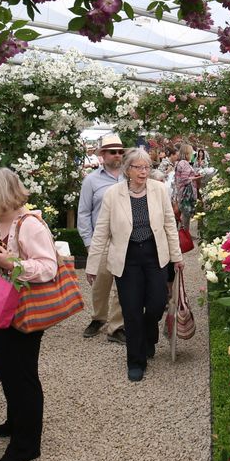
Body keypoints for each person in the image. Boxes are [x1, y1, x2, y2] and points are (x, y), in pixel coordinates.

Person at [0, 168, 58, 461]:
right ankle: (15, 421)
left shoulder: (29, 225)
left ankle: (26, 446)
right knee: (3, 366)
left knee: (22, 376)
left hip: (20, 312)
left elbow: (48, 268)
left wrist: (11, 263)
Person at [86, 148, 182, 382]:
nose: (144, 171)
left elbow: (170, 224)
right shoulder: (113, 194)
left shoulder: (159, 190)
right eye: (138, 167)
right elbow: (101, 232)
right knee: (131, 310)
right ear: (127, 170)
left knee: (157, 303)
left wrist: (177, 257)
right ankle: (136, 361)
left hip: (154, 255)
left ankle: (149, 336)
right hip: (126, 258)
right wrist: (92, 265)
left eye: (147, 167)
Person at [77, 134, 127, 343]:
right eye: (112, 152)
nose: (117, 155)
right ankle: (98, 318)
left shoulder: (130, 177)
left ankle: (116, 327)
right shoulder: (91, 180)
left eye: (120, 152)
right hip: (101, 240)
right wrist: (89, 243)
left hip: (125, 239)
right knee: (100, 283)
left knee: (122, 284)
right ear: (103, 155)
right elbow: (83, 213)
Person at [172, 141, 202, 232]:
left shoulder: (181, 163)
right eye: (191, 152)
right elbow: (185, 179)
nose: (193, 154)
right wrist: (196, 177)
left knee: (185, 216)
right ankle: (185, 237)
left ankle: (185, 235)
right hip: (185, 194)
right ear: (187, 153)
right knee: (186, 216)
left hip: (182, 193)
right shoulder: (184, 163)